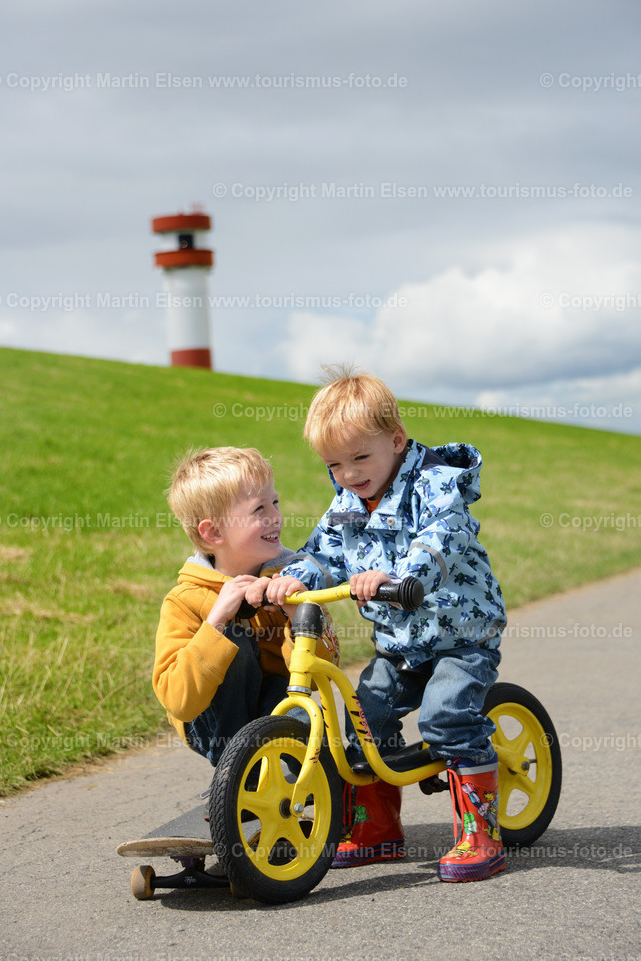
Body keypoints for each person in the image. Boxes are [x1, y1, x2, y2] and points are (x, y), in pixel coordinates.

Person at [263, 367, 507, 881]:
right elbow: (321, 554)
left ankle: (481, 832)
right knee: (360, 719)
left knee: (445, 717)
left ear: (396, 440)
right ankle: (378, 830)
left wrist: (402, 575)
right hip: (400, 644)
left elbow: (444, 536)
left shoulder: (437, 484)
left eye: (359, 458)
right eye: (334, 464)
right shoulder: (347, 503)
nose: (348, 475)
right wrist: (292, 579)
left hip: (460, 635)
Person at [152, 446, 338, 768]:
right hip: (212, 723)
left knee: (310, 730)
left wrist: (300, 616)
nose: (276, 516)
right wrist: (215, 623)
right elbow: (178, 700)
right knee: (234, 638)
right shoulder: (184, 600)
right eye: (259, 510)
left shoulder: (290, 578)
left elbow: (328, 666)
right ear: (213, 532)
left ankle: (322, 793)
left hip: (276, 702)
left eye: (275, 502)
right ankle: (236, 770)